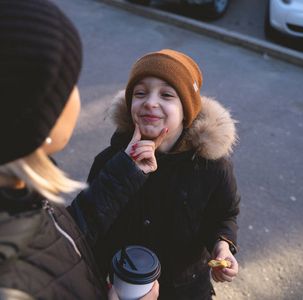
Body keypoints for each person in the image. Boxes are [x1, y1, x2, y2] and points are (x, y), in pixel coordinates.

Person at [0, 0, 159, 299]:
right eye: (67, 84)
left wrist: (127, 168)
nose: (75, 93)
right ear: (31, 120)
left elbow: (60, 241)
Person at [88, 49, 241, 299]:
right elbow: (91, 225)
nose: (150, 102)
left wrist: (222, 246)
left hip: (187, 288)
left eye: (167, 94)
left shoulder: (211, 167)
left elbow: (225, 214)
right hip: (124, 287)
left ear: (187, 111)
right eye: (140, 93)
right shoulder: (109, 163)